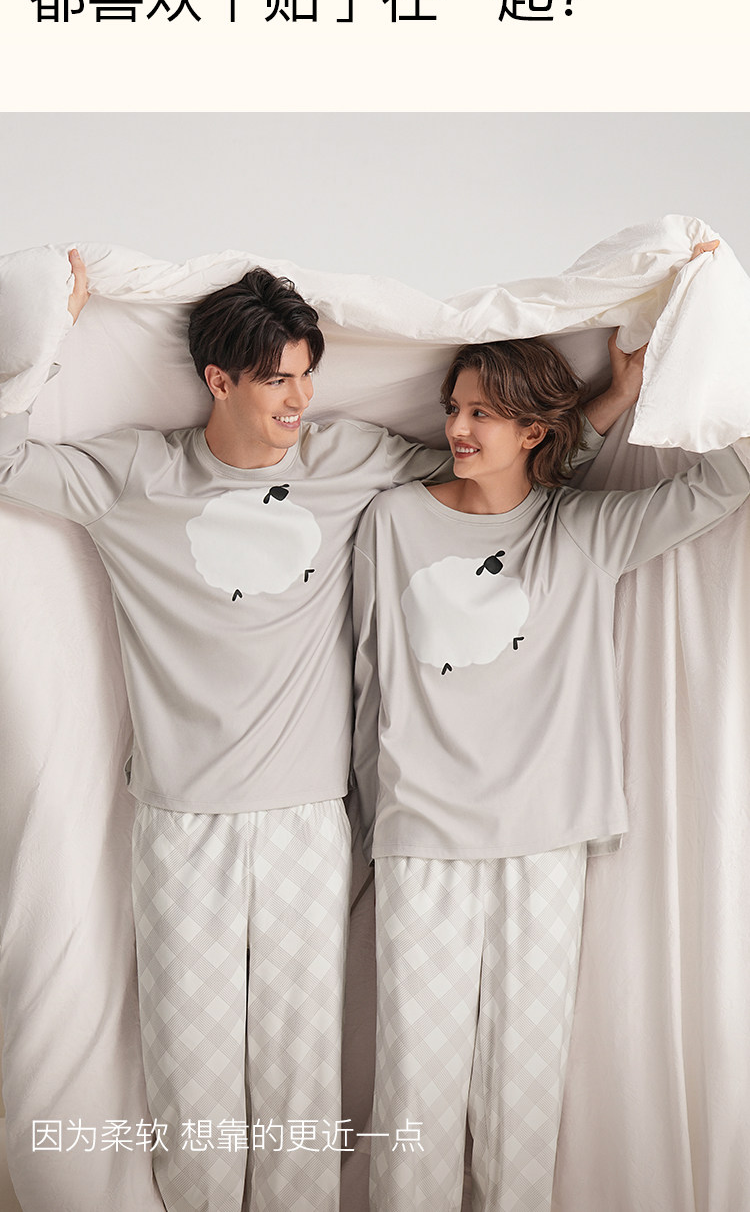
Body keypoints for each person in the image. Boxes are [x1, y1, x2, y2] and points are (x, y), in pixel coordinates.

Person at [0, 249, 637, 1212]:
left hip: (308, 821)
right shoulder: (136, 475)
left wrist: (607, 401)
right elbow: (9, 460)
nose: (299, 400)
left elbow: (505, 474)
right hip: (180, 822)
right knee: (194, 1093)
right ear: (219, 380)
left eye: (307, 375)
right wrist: (45, 330)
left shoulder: (351, 462)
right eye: (276, 380)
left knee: (301, 1088)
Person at [351, 288, 750, 1211]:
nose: (457, 428)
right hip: (424, 838)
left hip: (546, 840)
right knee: (415, 1090)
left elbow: (726, 480)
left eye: (482, 414)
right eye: (454, 407)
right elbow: (369, 671)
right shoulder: (394, 522)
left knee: (520, 1100)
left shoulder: (584, 531)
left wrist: (674, 368)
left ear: (533, 431)